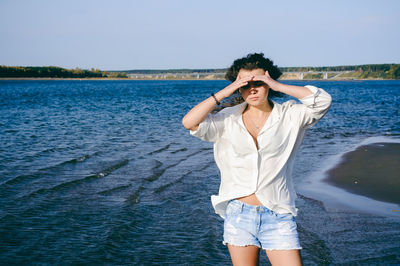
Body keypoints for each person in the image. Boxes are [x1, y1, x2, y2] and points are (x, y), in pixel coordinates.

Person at [181, 53, 332, 266]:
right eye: (244, 85)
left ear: (268, 83)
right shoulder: (226, 118)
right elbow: (189, 122)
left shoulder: (290, 115)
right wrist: (226, 91)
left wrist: (277, 85)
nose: (252, 89)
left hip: (278, 212)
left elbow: (322, 101)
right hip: (238, 213)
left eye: (258, 83)